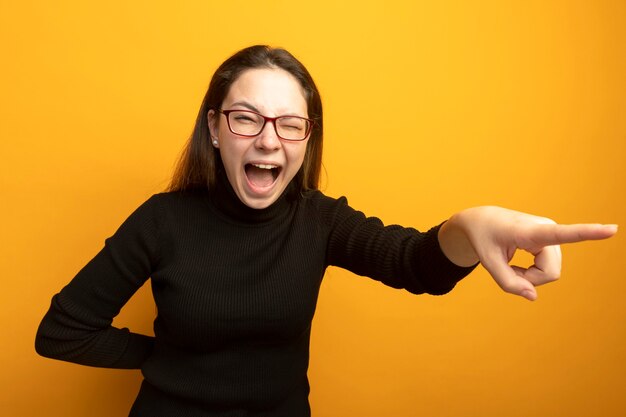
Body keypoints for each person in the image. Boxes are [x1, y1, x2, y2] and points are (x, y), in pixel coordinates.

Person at [35, 45, 617, 417]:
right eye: (246, 118)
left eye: (290, 124)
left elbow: (416, 265)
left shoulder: (319, 219)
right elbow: (62, 331)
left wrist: (471, 224)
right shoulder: (162, 221)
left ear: (308, 138)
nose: (269, 140)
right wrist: (167, 359)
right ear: (214, 128)